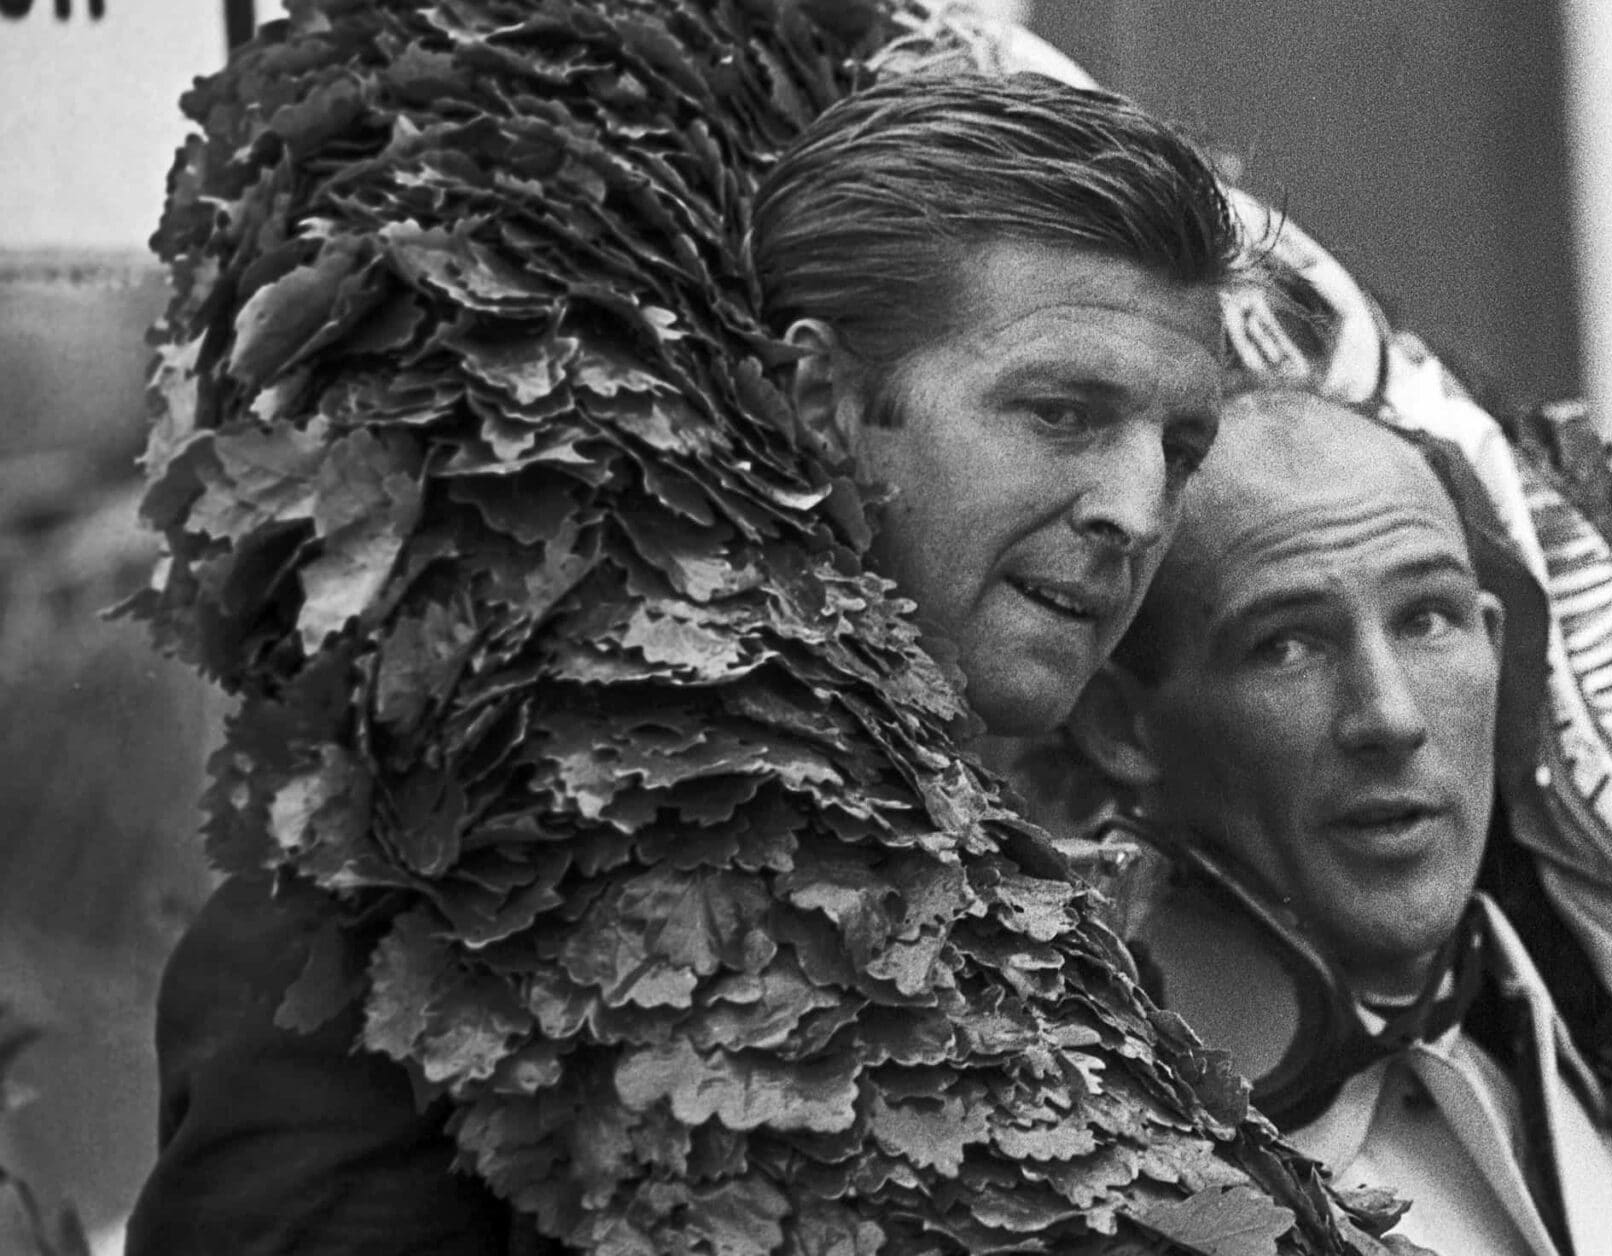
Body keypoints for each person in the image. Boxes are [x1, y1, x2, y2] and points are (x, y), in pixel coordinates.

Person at [128, 73, 1243, 1255]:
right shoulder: (413, 920)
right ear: (819, 402)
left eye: (1180, 450)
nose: (1136, 512)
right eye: (1062, 414)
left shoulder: (1059, 940)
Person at [1070, 388, 1612, 1256]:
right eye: (1285, 645)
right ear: (1122, 727)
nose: (1390, 716)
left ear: (1493, 647)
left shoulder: (1599, 1049)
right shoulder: (1061, 1149)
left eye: (1427, 619)